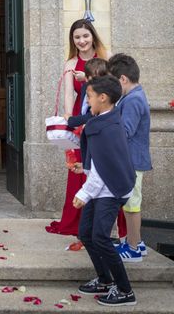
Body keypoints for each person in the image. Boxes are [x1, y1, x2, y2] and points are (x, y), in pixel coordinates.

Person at [73, 75, 137, 307]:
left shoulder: (107, 127)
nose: (87, 102)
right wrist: (85, 167)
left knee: (100, 236)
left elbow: (103, 168)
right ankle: (104, 279)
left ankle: (125, 290)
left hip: (109, 190)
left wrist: (83, 194)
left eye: (89, 97)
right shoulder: (103, 121)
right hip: (101, 187)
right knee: (87, 233)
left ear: (103, 97)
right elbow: (99, 160)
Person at [46, 19, 107, 248]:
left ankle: (102, 222)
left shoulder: (104, 57)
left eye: (85, 36)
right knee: (78, 168)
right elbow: (69, 96)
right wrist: (69, 121)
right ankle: (77, 222)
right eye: (77, 37)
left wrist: (89, 79)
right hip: (80, 120)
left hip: (100, 117)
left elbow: (111, 88)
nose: (81, 41)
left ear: (93, 36)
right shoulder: (70, 63)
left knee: (99, 167)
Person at [108, 54, 151, 262]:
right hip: (132, 159)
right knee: (130, 203)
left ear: (123, 79)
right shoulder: (134, 96)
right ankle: (136, 243)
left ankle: (133, 248)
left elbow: (125, 131)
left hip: (132, 160)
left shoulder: (133, 100)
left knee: (132, 205)